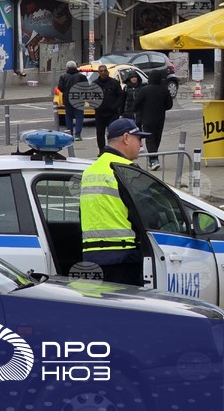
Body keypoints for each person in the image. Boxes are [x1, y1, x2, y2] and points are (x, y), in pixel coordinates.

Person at [80, 118, 152, 286]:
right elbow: (148, 212)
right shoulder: (126, 171)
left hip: (91, 257)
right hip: (123, 257)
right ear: (126, 138)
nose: (141, 145)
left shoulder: (90, 171)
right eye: (139, 139)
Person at [134, 70, 174, 171]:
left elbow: (136, 104)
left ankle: (153, 160)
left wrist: (139, 110)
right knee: (157, 138)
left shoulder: (144, 90)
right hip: (160, 118)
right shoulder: (164, 90)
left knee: (150, 139)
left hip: (147, 118)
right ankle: (154, 158)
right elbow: (169, 105)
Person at [92, 65, 125, 153]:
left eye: (104, 71)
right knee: (100, 133)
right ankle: (102, 151)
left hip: (112, 113)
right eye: (101, 71)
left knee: (113, 133)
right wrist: (96, 106)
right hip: (100, 113)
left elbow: (121, 96)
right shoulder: (95, 84)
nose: (103, 73)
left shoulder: (114, 83)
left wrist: (116, 106)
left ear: (107, 71)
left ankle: (113, 150)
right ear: (99, 73)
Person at [58, 60, 87, 140]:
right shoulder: (81, 76)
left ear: (67, 67)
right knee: (79, 117)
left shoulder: (63, 76)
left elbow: (60, 87)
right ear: (75, 67)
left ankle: (70, 134)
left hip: (67, 99)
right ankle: (77, 135)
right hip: (79, 99)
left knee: (68, 117)